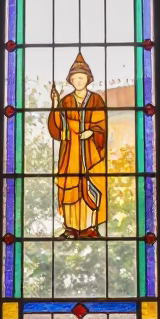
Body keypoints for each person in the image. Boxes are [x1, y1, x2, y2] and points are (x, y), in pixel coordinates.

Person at [47, 52, 107, 238]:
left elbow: (102, 123)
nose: (78, 81)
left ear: (88, 79)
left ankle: (90, 227)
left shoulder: (96, 100)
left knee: (90, 185)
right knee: (70, 186)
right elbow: (57, 127)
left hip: (90, 153)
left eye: (81, 78)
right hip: (70, 153)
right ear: (71, 80)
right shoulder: (66, 101)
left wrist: (92, 131)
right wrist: (55, 104)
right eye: (75, 78)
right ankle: (71, 227)